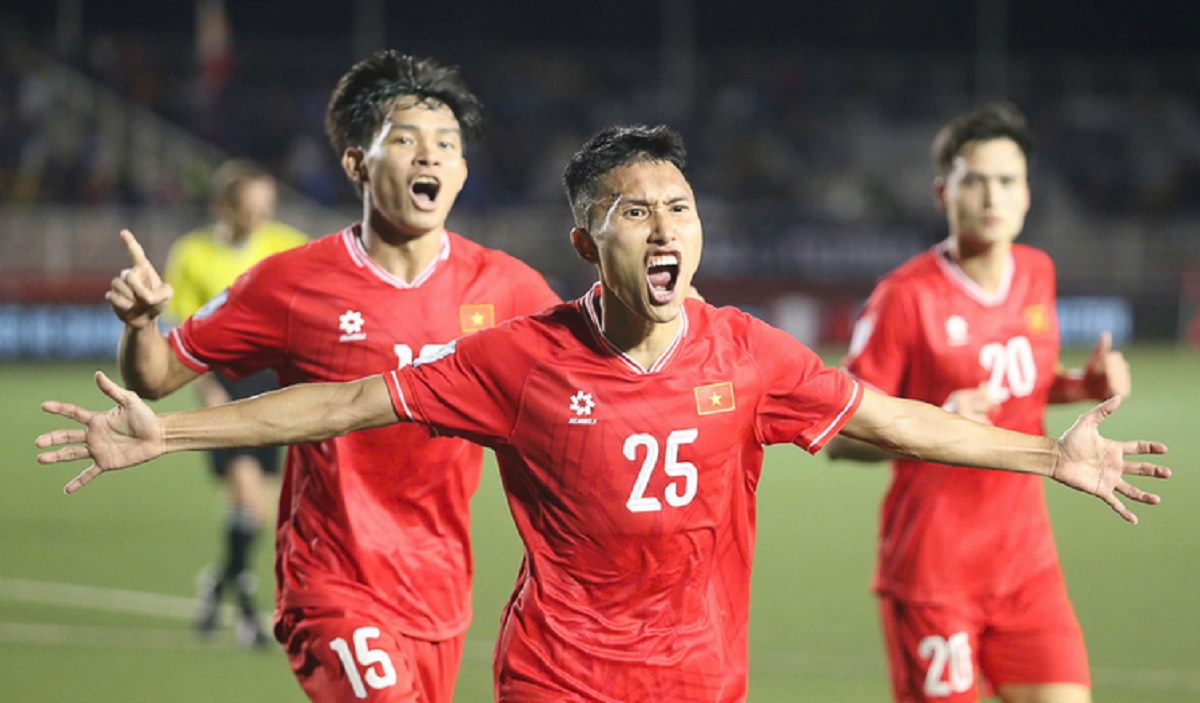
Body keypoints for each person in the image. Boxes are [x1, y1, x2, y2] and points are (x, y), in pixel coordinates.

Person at [38, 124, 1169, 703]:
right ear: (589, 245)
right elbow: (341, 402)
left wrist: (1046, 451)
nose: (666, 226)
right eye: (636, 212)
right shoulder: (518, 360)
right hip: (560, 677)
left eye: (679, 206)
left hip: (701, 675)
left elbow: (899, 420)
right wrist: (170, 426)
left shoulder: (751, 353)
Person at [100, 51, 560, 702]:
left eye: (446, 145)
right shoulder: (290, 283)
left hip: (439, 587)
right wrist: (142, 324)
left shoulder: (510, 289)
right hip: (330, 578)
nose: (429, 157)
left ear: (461, 171)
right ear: (356, 163)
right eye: (404, 141)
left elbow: (592, 386)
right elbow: (155, 375)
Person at [825, 103, 1131, 703]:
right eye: (975, 181)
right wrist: (937, 417)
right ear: (944, 193)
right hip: (935, 574)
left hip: (1026, 567)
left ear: (1028, 195)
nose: (992, 196)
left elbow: (1026, 385)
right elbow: (840, 437)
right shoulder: (903, 298)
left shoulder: (1038, 272)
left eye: (1007, 181)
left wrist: (1081, 385)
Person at [118, 158, 308, 647]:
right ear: (225, 206)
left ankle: (216, 585)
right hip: (224, 381)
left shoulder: (288, 244)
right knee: (247, 495)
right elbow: (183, 331)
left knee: (257, 511)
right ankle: (246, 609)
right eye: (252, 208)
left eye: (267, 206)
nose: (261, 217)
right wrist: (208, 390)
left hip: (273, 383)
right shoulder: (194, 253)